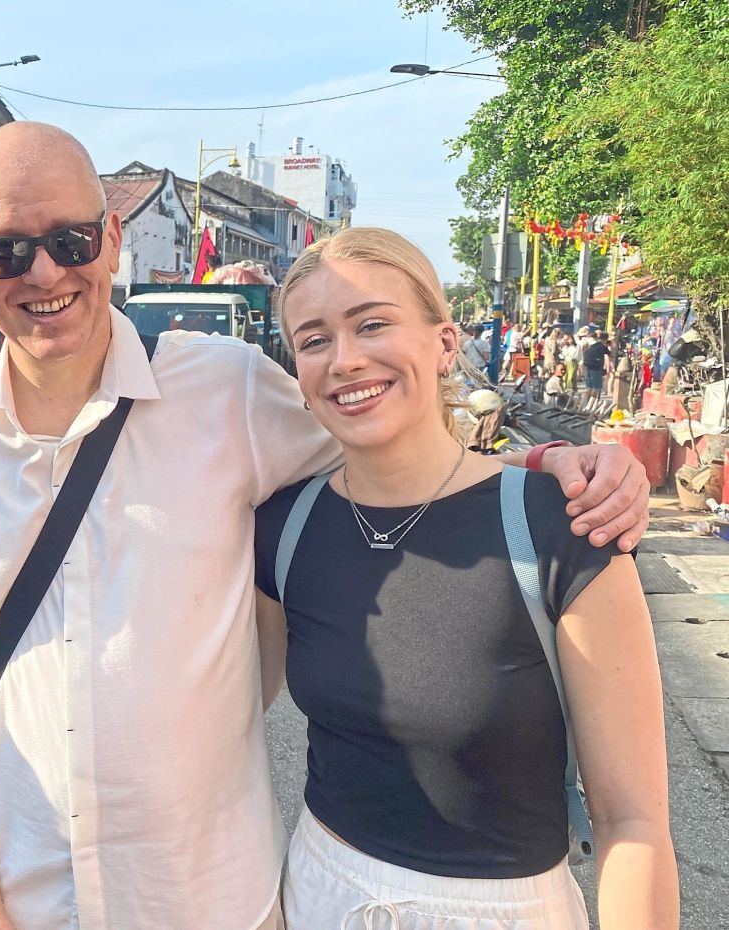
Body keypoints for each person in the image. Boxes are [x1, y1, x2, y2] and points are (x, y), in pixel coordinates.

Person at [0, 122, 650, 930]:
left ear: (113, 237)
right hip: (13, 904)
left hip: (210, 903)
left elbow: (396, 458)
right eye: (7, 252)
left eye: (70, 238)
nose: (47, 272)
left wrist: (555, 464)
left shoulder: (229, 389)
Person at [257, 228, 677, 929]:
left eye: (373, 324)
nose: (346, 359)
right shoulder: (284, 527)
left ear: (445, 343)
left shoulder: (563, 527)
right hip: (320, 892)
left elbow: (630, 818)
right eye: (314, 339)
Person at [582, 330, 611, 399]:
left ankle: (584, 402)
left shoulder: (593, 345)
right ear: (606, 339)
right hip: (596, 368)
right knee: (596, 388)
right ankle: (592, 404)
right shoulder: (602, 347)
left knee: (589, 387)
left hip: (588, 366)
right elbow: (611, 354)